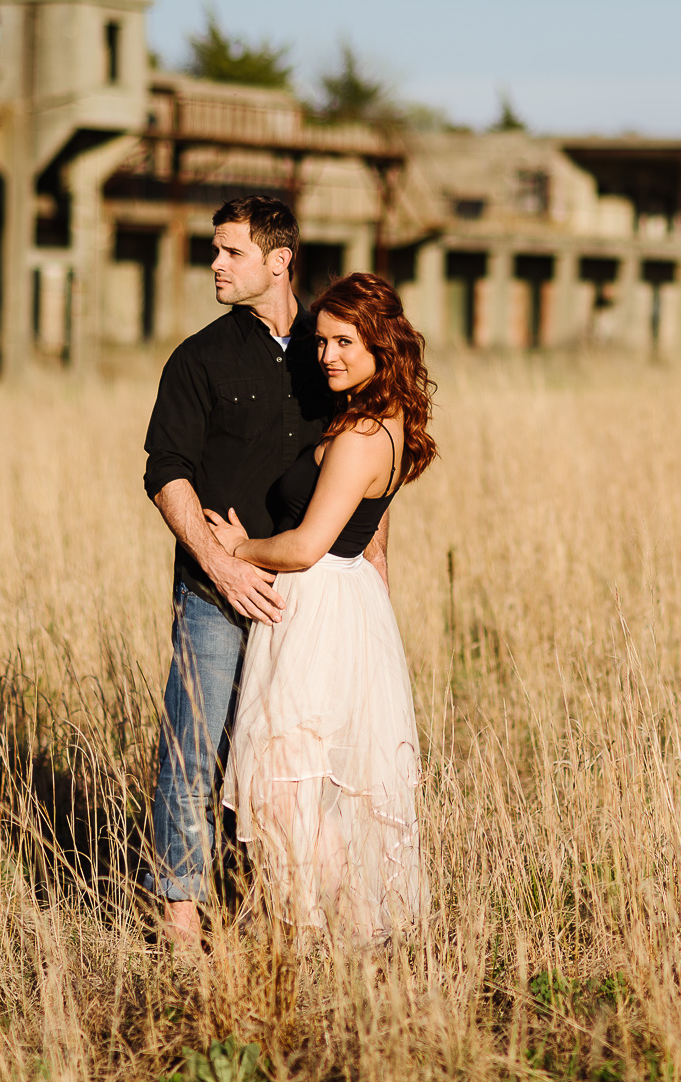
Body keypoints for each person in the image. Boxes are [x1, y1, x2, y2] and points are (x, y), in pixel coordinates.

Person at [140, 196, 386, 951]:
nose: (215, 265)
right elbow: (166, 472)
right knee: (197, 744)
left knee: (288, 755)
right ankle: (181, 920)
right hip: (218, 592)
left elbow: (366, 474)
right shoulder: (199, 358)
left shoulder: (333, 348)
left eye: (230, 252)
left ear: (278, 261)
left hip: (309, 601)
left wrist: (375, 601)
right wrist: (219, 563)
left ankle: (274, 906)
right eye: (214, 251)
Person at [204, 273, 437, 943]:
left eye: (345, 341)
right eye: (322, 341)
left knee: (284, 782)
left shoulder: (364, 433)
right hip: (344, 606)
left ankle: (343, 929)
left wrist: (239, 547)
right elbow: (374, 543)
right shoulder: (379, 417)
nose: (327, 355)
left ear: (381, 345)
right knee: (305, 782)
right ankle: (336, 932)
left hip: (321, 605)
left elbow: (307, 547)